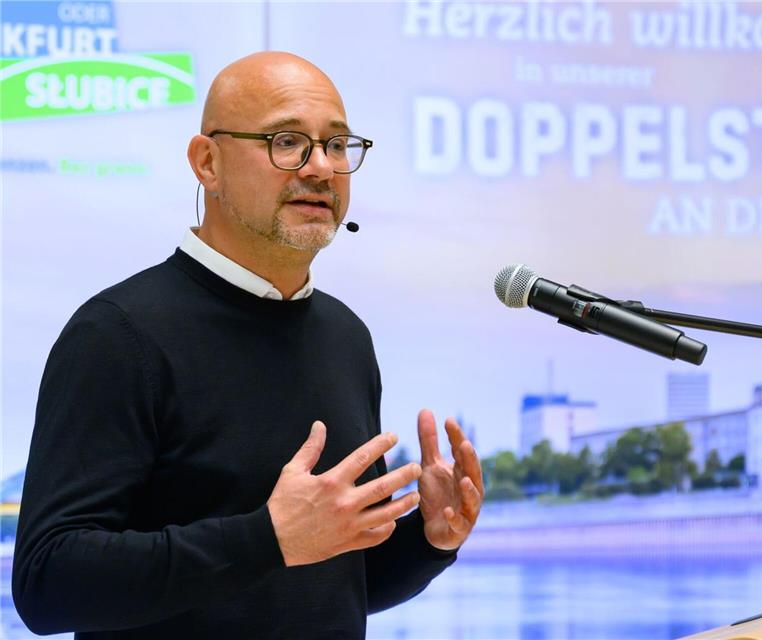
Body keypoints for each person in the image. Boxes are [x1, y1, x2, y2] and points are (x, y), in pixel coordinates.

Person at [12, 51, 484, 638]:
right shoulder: (118, 333)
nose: (320, 168)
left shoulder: (346, 336)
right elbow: (47, 584)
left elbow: (331, 586)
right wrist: (269, 537)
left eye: (337, 146)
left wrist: (430, 544)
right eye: (287, 141)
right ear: (207, 162)